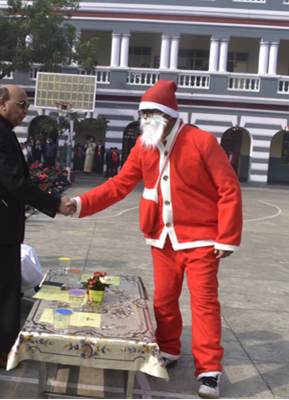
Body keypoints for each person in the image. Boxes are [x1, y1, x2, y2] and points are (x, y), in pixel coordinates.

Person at [66, 80, 242, 399]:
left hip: (201, 238)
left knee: (204, 303)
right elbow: (119, 184)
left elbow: (229, 188)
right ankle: (169, 349)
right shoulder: (144, 145)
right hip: (161, 236)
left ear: (169, 114)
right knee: (163, 300)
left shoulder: (202, 141)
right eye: (143, 113)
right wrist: (81, 203)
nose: (145, 119)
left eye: (151, 113)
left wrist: (227, 237)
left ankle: (209, 371)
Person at [0, 85, 74, 369]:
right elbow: (13, 182)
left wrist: (41, 189)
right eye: (21, 104)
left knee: (3, 288)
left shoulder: (2, 129)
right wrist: (55, 203)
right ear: (2, 102)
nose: (25, 111)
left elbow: (12, 179)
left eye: (27, 105)